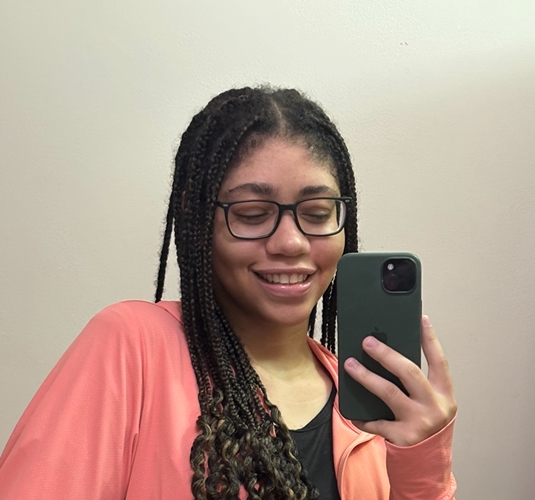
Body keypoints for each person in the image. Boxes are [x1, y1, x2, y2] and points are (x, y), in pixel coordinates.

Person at [0, 86, 457, 499]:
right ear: (198, 221)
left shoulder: (366, 402)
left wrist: (422, 469)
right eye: (253, 214)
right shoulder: (133, 346)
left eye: (317, 213)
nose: (291, 243)